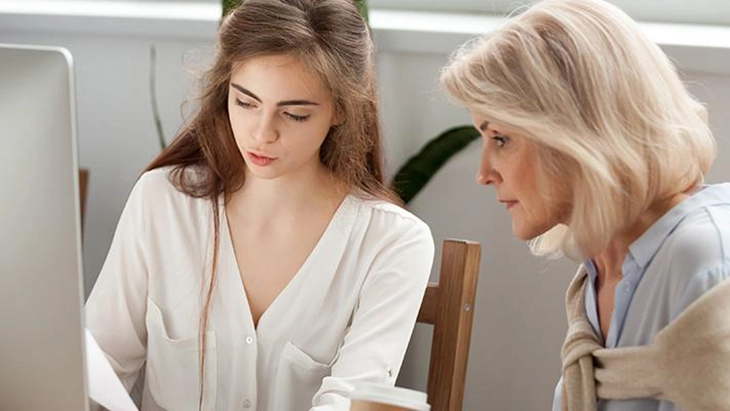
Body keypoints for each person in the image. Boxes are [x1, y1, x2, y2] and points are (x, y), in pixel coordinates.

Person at [85, 1, 435, 410]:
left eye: (295, 114)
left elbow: (352, 400)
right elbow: (98, 364)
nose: (262, 133)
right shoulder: (162, 202)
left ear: (341, 110)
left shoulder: (391, 242)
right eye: (246, 103)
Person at [440, 0, 730, 410]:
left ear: (573, 132)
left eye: (500, 139)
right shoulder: (595, 275)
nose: (484, 172)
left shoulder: (704, 260)